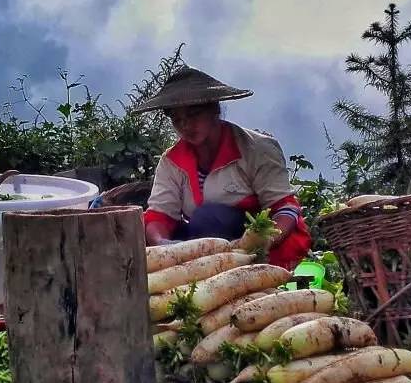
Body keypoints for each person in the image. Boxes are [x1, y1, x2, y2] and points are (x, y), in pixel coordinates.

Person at [132, 66, 311, 270]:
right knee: (150, 235)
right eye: (177, 120)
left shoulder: (257, 149)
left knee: (208, 217)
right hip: (207, 243)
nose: (185, 125)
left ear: (215, 110)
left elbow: (284, 207)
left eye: (194, 115)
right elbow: (160, 214)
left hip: (261, 245)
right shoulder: (171, 161)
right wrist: (163, 244)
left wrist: (263, 240)